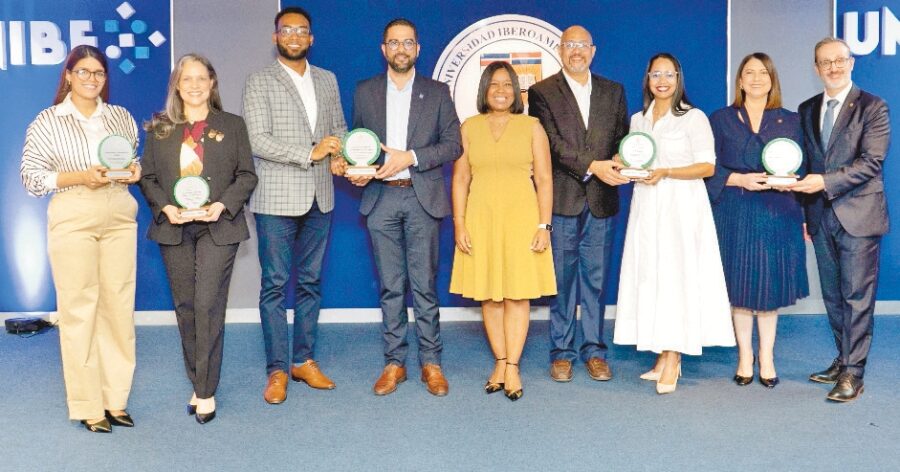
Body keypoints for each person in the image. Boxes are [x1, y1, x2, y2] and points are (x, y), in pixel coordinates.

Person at [20, 45, 141, 432]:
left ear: (106, 79)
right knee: (78, 309)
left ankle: (115, 400)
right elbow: (32, 177)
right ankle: (90, 406)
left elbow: (131, 160)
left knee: (118, 309)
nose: (92, 79)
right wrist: (80, 177)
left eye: (99, 73)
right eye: (84, 72)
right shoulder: (48, 121)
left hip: (119, 213)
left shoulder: (121, 117)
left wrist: (134, 172)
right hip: (74, 211)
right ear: (68, 75)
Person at [343, 18, 461, 396]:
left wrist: (410, 156)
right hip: (380, 198)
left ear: (418, 49)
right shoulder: (365, 92)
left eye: (407, 42)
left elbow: (453, 145)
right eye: (393, 43)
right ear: (383, 49)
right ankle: (394, 362)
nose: (401, 49)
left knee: (424, 286)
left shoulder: (438, 92)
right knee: (391, 287)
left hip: (420, 196)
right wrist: (358, 171)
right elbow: (357, 143)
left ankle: (431, 362)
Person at [139, 54, 257, 424]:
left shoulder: (233, 125)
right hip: (174, 226)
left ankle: (205, 390)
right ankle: (198, 378)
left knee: (207, 304)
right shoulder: (160, 128)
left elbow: (246, 176)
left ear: (212, 83)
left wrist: (222, 205)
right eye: (185, 79)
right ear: (176, 85)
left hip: (217, 227)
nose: (193, 85)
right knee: (186, 307)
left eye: (200, 78)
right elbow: (148, 177)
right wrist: (165, 208)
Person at [242, 6, 347, 404]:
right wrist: (311, 151)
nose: (295, 37)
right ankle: (276, 370)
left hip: (322, 194)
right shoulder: (259, 81)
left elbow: (338, 128)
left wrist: (340, 155)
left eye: (302, 31)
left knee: (310, 283)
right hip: (276, 197)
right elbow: (257, 139)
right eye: (287, 30)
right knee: (274, 285)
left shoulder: (327, 79)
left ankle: (303, 360)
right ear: (275, 37)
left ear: (311, 38)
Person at [613, 53, 735, 394]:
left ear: (678, 78)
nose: (662, 80)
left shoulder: (693, 118)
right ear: (647, 79)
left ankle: (673, 356)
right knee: (651, 276)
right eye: (655, 74)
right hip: (647, 205)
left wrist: (667, 172)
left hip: (682, 206)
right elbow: (636, 158)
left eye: (668, 74)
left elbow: (707, 167)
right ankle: (661, 351)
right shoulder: (638, 119)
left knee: (677, 277)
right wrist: (620, 162)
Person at [787, 38, 890, 402]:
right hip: (819, 217)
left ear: (851, 63)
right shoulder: (806, 108)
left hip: (859, 217)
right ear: (816, 68)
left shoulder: (873, 107)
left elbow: (872, 163)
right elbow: (805, 165)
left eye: (839, 60)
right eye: (824, 62)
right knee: (833, 296)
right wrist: (802, 211)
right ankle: (844, 359)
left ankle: (854, 374)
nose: (833, 67)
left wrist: (825, 182)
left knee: (857, 297)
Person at [528, 25, 629, 383]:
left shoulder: (613, 91)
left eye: (583, 46)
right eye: (570, 45)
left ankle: (594, 351)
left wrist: (620, 158)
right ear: (560, 49)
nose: (576, 51)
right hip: (563, 199)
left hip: (602, 199)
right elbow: (550, 145)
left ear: (593, 50)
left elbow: (622, 139)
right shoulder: (541, 92)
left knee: (597, 281)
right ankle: (562, 352)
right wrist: (592, 165)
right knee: (562, 279)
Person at [450, 61, 556, 401]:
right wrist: (460, 223)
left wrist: (544, 225)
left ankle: (513, 365)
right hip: (480, 218)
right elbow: (461, 178)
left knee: (516, 294)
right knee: (489, 295)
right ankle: (499, 360)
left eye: (508, 85)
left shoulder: (532, 126)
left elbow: (544, 179)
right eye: (494, 85)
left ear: (517, 91)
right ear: (484, 90)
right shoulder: (469, 127)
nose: (501, 90)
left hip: (522, 218)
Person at [707, 53, 809, 388]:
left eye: (762, 73)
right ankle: (744, 358)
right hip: (734, 211)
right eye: (748, 72)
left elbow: (805, 170)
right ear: (739, 80)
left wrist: (793, 184)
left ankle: (766, 357)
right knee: (740, 289)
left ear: (772, 80)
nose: (755, 78)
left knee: (768, 288)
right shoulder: (721, 119)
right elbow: (708, 167)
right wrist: (738, 179)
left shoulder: (792, 120)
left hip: (777, 212)